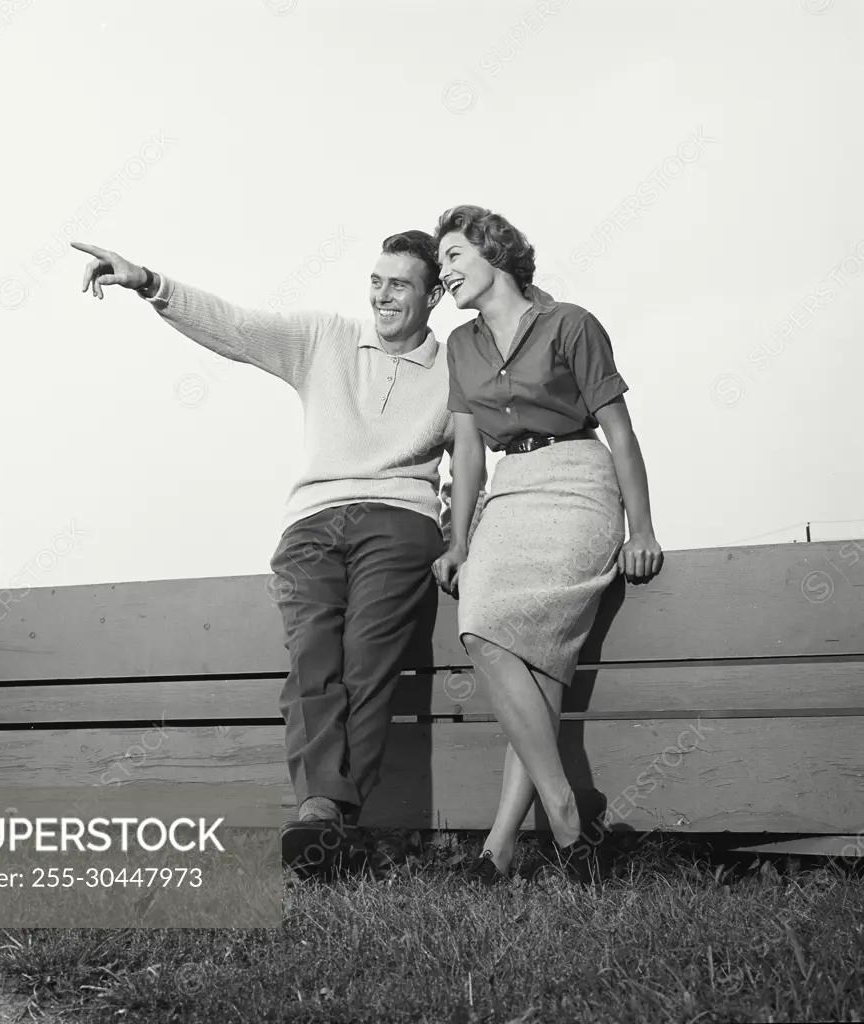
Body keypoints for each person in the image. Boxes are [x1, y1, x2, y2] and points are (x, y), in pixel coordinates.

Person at [71, 232, 482, 877]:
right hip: (312, 523)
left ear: (432, 295)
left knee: (368, 663)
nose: (381, 295)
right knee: (313, 659)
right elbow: (237, 328)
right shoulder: (325, 339)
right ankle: (326, 816)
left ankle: (328, 819)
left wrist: (463, 541)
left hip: (400, 519)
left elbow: (473, 460)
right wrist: (149, 282)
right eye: (375, 280)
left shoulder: (456, 369)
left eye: (398, 284)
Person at [431, 205, 664, 885]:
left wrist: (640, 528)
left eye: (451, 255)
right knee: (487, 631)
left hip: (576, 481)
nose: (442, 271)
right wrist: (458, 541)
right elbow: (467, 453)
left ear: (492, 251)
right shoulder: (459, 347)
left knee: (512, 642)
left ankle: (509, 841)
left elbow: (618, 431)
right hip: (511, 488)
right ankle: (559, 816)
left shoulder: (570, 324)